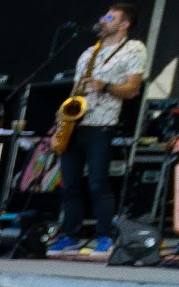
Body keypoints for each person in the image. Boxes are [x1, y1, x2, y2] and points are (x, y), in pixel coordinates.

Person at [51, 6, 149, 258]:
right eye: (103, 17)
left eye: (109, 18)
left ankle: (104, 236)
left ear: (125, 24)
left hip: (102, 124)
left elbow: (132, 89)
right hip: (75, 124)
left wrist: (104, 86)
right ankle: (69, 236)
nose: (102, 21)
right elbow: (75, 90)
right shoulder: (88, 53)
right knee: (69, 184)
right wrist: (61, 124)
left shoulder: (134, 49)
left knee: (97, 183)